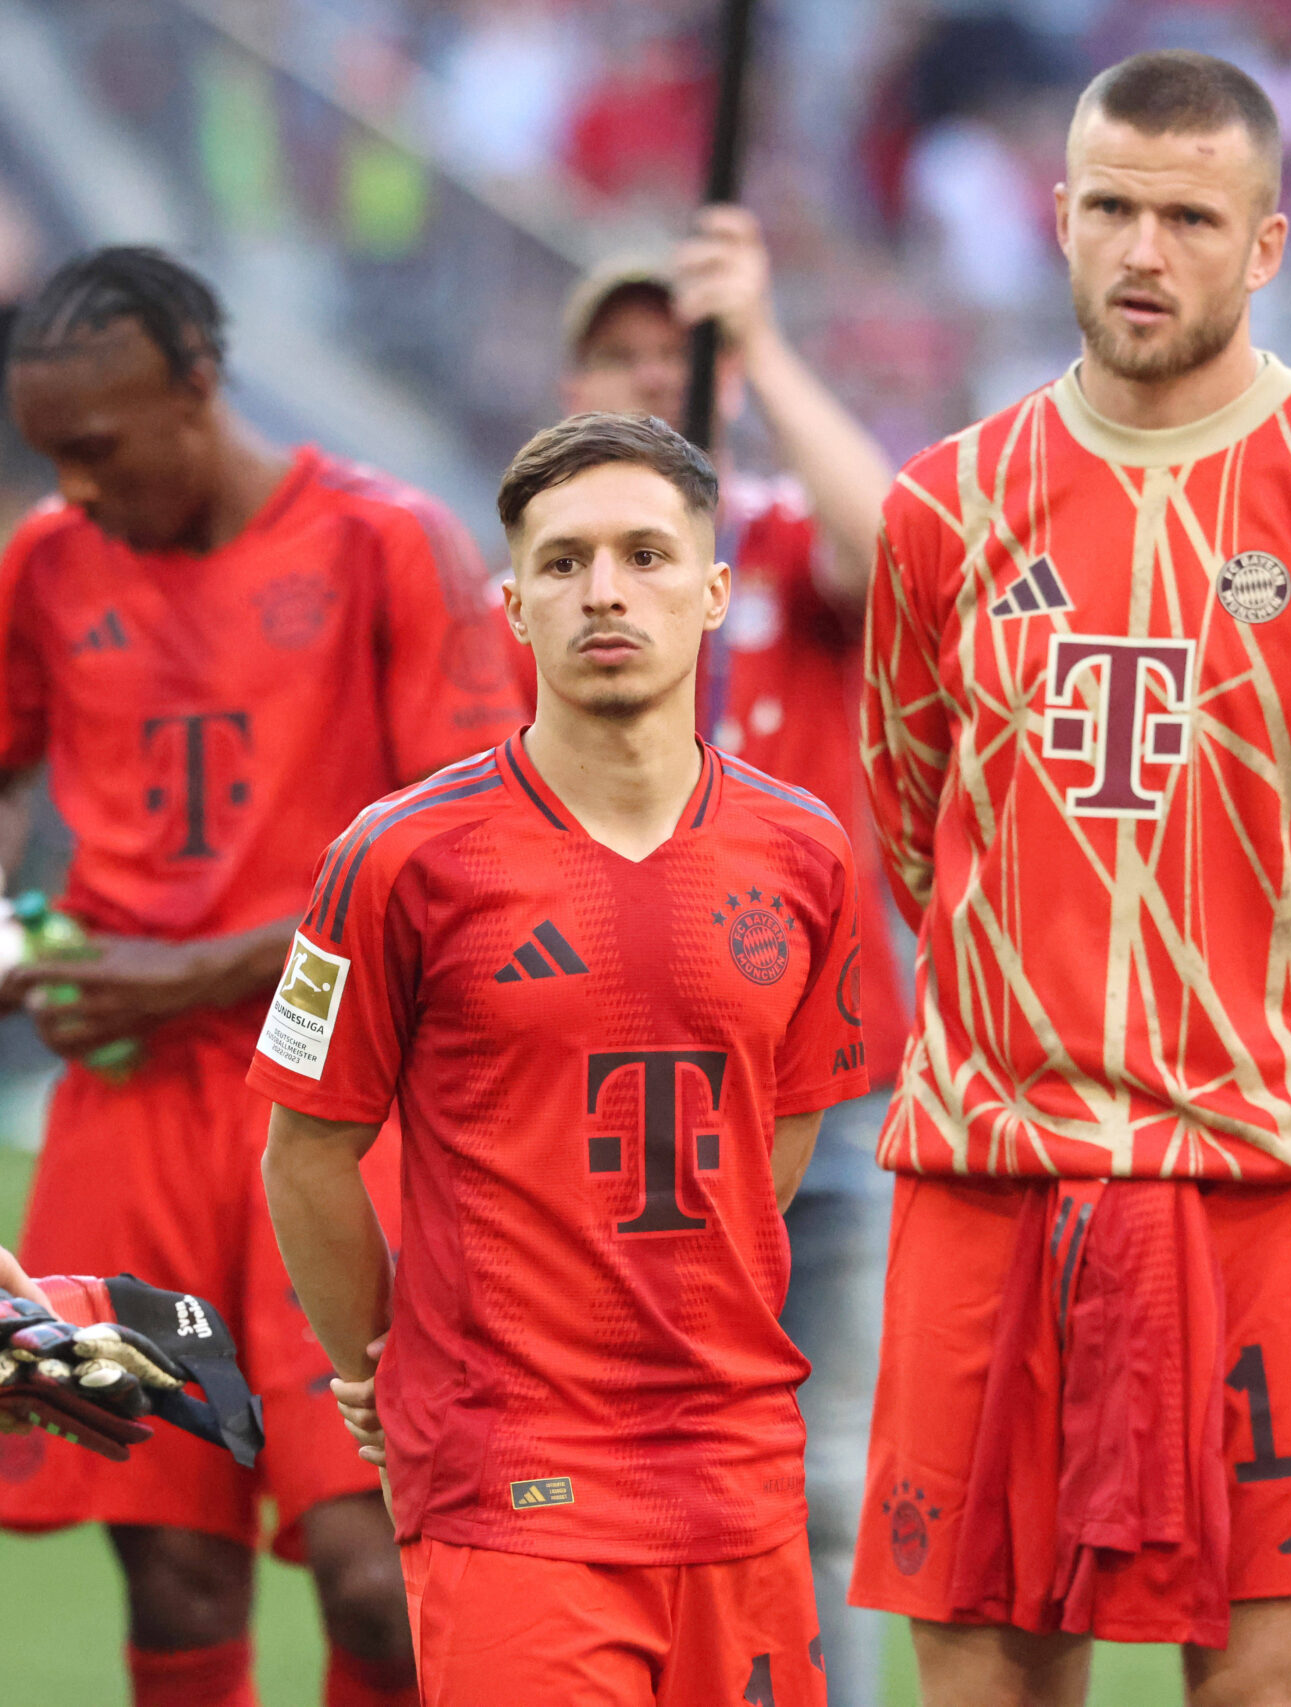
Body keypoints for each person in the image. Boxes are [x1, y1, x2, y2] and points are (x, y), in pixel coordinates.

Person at [854, 49, 1291, 1705]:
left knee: (1275, 1680)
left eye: (1192, 218)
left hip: (1265, 1173)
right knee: (990, 1670)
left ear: (1267, 244)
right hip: (994, 1172)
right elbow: (914, 808)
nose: (1147, 252)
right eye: (1115, 211)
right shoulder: (946, 505)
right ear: (1060, 218)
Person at [255, 412, 871, 1705]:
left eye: (648, 555)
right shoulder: (398, 857)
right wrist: (383, 1360)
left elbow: (788, 1119)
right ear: (512, 605)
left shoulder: (809, 850)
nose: (604, 589)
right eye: (563, 560)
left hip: (735, 1469)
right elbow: (307, 1144)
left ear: (712, 593)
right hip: (512, 1472)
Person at [0, 246, 524, 1707]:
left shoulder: (385, 543)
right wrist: (11, 924)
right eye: (54, 457)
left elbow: (468, 856)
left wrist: (196, 968)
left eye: (99, 448)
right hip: (127, 1118)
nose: (81, 488)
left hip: (330, 1113)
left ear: (197, 388)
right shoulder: (46, 558)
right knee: (170, 1563)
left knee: (373, 1569)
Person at [558, 204, 905, 1707]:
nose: (652, 378)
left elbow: (897, 549)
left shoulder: (772, 539)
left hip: (818, 1077)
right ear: (569, 385)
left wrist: (757, 343)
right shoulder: (549, 579)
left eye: (677, 351)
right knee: (615, 1462)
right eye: (620, 355)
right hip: (610, 1090)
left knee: (826, 1469)